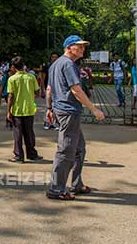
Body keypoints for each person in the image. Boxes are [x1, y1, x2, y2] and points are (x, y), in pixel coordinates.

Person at [46, 35, 105, 201]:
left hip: (62, 110)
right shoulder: (68, 64)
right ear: (69, 47)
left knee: (79, 148)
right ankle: (56, 189)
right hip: (68, 111)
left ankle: (76, 184)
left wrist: (49, 108)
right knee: (66, 150)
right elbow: (76, 90)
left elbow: (50, 88)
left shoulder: (55, 64)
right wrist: (94, 109)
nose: (82, 49)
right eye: (78, 46)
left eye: (83, 47)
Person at [6, 56, 42, 163]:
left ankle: (19, 156)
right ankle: (31, 154)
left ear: (13, 67)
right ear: (23, 65)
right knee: (29, 132)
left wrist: (8, 111)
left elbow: (10, 96)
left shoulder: (12, 79)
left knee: (18, 134)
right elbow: (37, 92)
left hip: (17, 110)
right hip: (29, 108)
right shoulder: (31, 77)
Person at [42, 53, 60, 130]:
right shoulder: (47, 67)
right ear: (50, 58)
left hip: (58, 89)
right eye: (53, 57)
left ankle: (55, 122)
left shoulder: (60, 66)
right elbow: (42, 78)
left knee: (56, 106)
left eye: (56, 57)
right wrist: (42, 89)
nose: (54, 58)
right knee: (48, 106)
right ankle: (47, 122)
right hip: (48, 88)